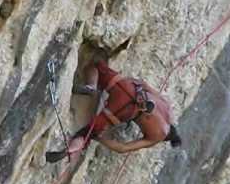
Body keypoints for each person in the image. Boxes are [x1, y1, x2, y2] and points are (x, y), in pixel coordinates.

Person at [46, 59, 182, 163]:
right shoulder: (156, 137)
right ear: (167, 138)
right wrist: (99, 137)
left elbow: (143, 84)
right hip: (125, 111)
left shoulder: (167, 107)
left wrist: (126, 81)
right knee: (87, 134)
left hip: (130, 90)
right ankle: (70, 149)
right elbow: (122, 148)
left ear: (172, 126)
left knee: (96, 65)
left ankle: (92, 86)